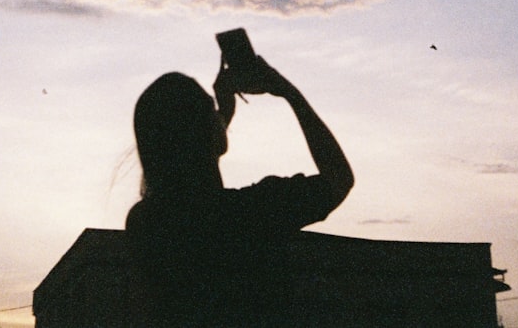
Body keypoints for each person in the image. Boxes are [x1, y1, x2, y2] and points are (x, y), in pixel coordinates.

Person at [124, 53, 354, 326]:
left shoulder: (145, 221)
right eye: (210, 109)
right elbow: (338, 179)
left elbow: (189, 160)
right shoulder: (253, 211)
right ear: (208, 132)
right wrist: (288, 92)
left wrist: (220, 118)